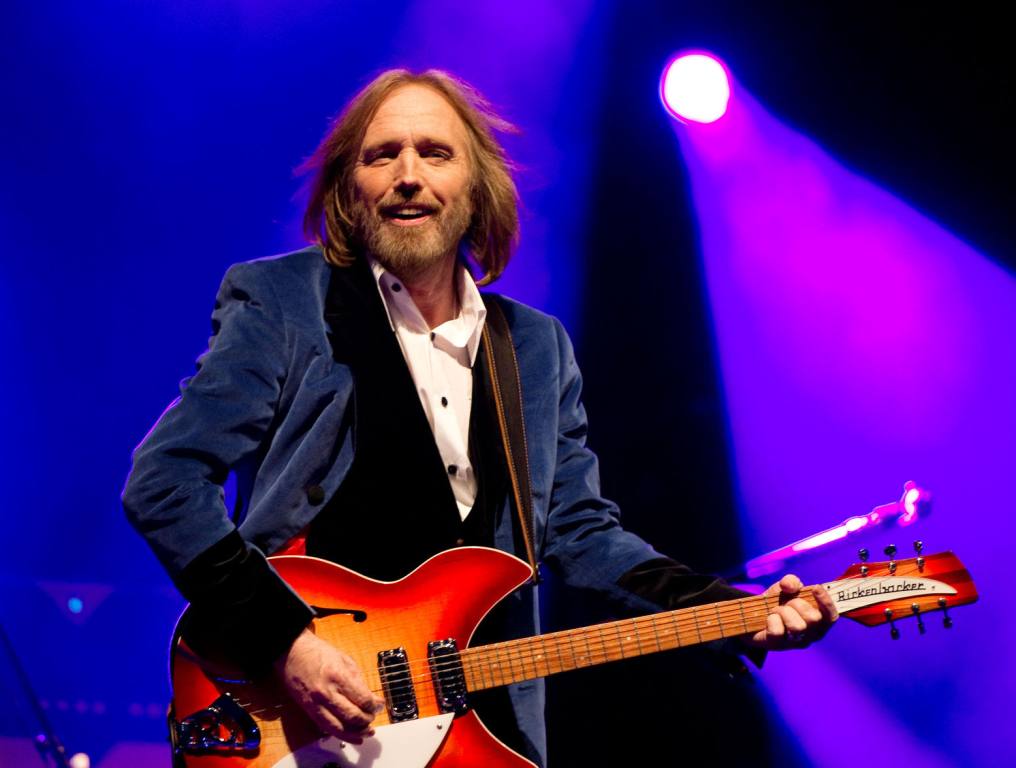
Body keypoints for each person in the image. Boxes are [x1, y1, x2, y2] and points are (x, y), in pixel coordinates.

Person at [122, 69, 836, 766]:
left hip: (480, 731)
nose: (408, 174)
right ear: (350, 187)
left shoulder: (533, 347)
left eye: (435, 153)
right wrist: (285, 640)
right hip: (297, 718)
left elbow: (579, 532)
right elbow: (164, 481)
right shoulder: (285, 301)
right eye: (382, 155)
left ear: (477, 187)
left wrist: (728, 609)